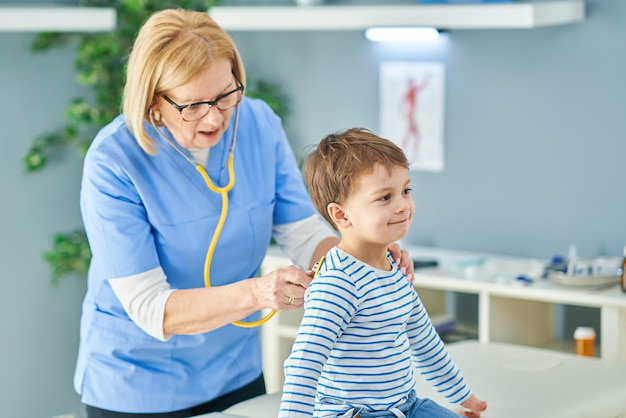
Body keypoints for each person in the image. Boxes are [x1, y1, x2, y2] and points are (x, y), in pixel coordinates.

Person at [74, 9, 415, 418]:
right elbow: (151, 307)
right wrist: (257, 293)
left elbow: (304, 233)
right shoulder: (114, 160)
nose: (216, 116)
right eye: (194, 105)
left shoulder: (257, 123)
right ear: (154, 100)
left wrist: (363, 257)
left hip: (236, 373)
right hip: (138, 383)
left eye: (225, 94)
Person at [279, 128, 488, 418]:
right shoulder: (338, 283)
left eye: (405, 191)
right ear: (341, 215)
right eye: (384, 198)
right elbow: (304, 364)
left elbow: (425, 341)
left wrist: (463, 395)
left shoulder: (395, 268)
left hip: (406, 406)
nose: (403, 205)